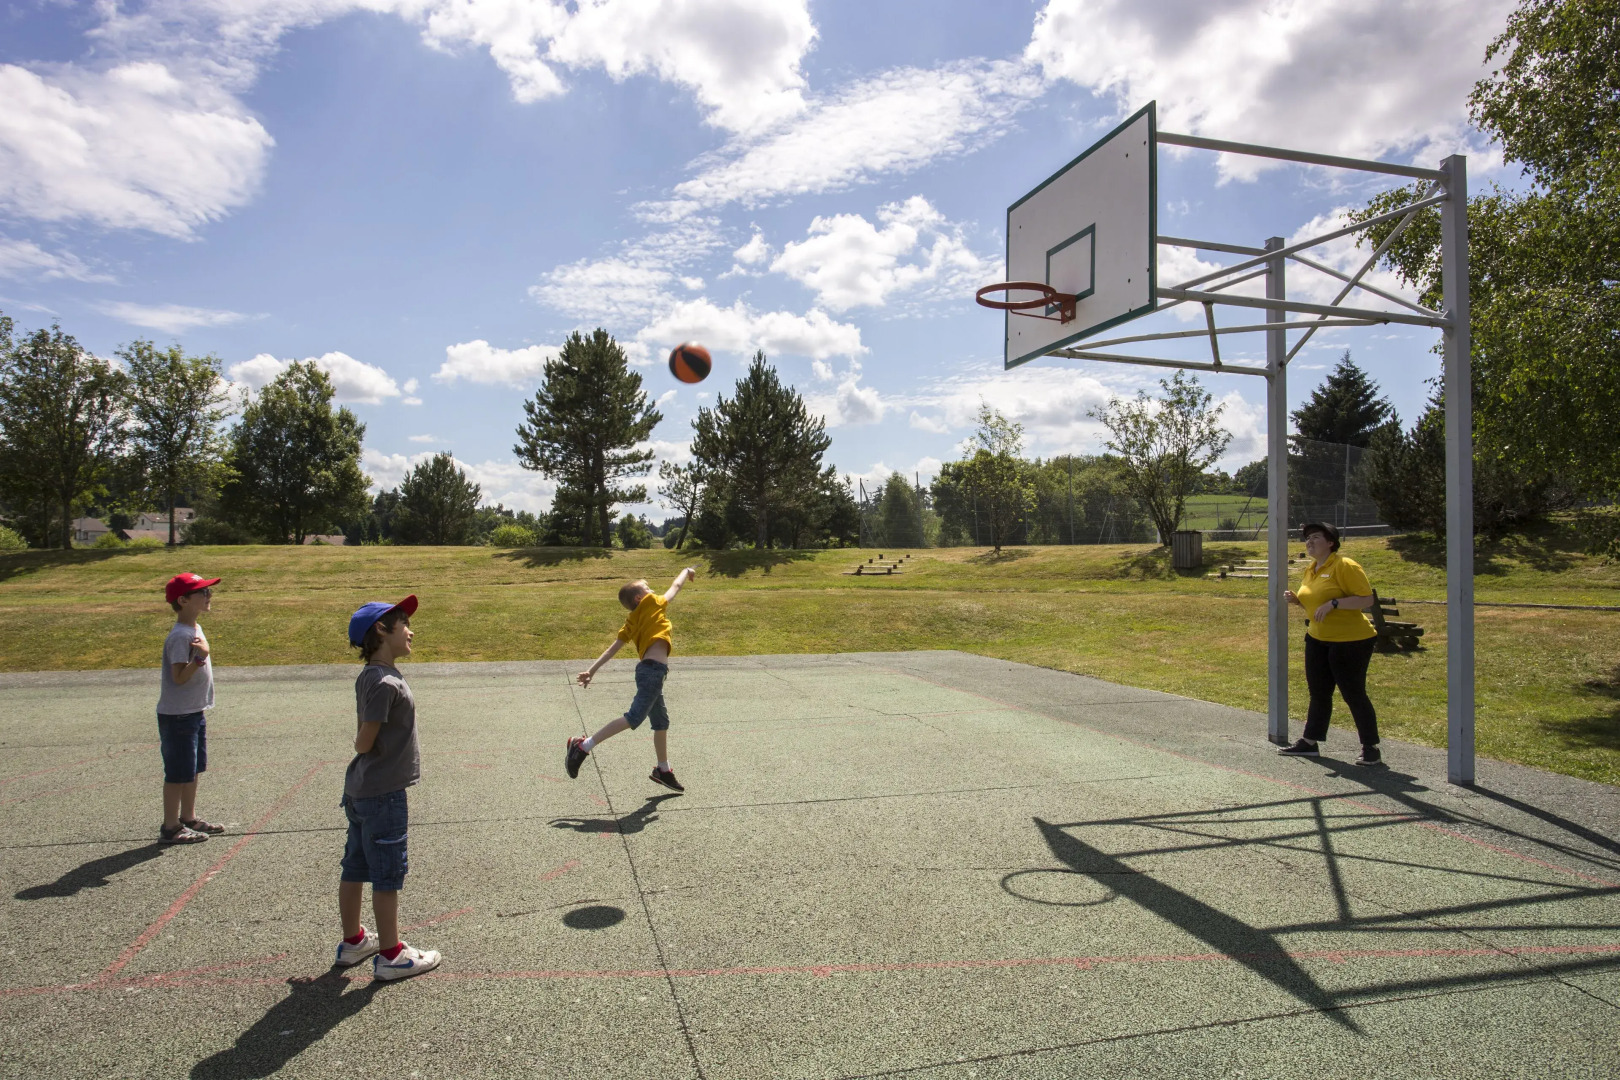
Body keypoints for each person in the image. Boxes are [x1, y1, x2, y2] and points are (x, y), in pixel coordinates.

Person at [334, 594, 442, 982]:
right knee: (386, 874)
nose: (411, 630)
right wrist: (364, 741)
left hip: (363, 791)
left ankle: (353, 941)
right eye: (403, 624)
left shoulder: (375, 676)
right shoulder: (383, 682)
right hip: (382, 795)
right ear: (381, 630)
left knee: (355, 865)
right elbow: (364, 741)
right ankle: (392, 955)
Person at [567, 568, 698, 791]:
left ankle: (663, 770)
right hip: (653, 672)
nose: (653, 591)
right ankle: (583, 746)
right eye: (649, 589)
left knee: (661, 723)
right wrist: (686, 571)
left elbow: (612, 649)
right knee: (634, 717)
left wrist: (592, 670)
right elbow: (675, 588)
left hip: (650, 672)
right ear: (641, 598)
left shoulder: (631, 621)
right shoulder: (653, 603)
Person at [1277, 522, 1384, 765]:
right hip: (1317, 639)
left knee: (1353, 693)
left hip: (1351, 641)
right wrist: (1297, 601)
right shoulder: (1311, 568)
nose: (1309, 542)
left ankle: (1371, 748)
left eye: (1315, 537)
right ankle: (1310, 742)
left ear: (1331, 543)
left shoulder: (1345, 566)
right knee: (1319, 693)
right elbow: (1316, 605)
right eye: (1307, 538)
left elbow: (1366, 599)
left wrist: (1335, 603)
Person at [157, 573, 226, 845]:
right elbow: (179, 677)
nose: (209, 596)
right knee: (177, 773)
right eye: (202, 592)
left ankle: (188, 817)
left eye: (208, 591)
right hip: (178, 716)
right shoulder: (180, 636)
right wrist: (201, 658)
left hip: (194, 712)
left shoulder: (194, 628)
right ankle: (170, 826)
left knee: (193, 768)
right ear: (183, 600)